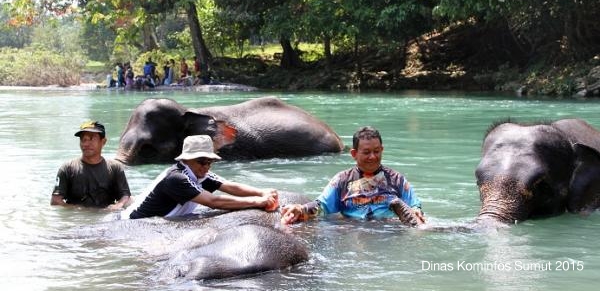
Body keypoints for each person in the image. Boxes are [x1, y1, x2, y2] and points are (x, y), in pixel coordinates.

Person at [281, 126, 426, 224]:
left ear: (382, 150)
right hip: (353, 231)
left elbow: (415, 205)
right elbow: (321, 207)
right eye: (366, 152)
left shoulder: (397, 180)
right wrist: (301, 209)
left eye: (376, 151)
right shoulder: (341, 181)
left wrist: (416, 211)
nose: (372, 156)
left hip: (390, 231)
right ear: (354, 154)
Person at [123, 135, 278, 219]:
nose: (206, 166)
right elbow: (213, 201)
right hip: (137, 223)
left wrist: (262, 192)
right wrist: (256, 202)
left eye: (209, 162)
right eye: (202, 161)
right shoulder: (177, 178)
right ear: (186, 160)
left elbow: (229, 186)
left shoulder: (199, 173)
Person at [51, 121, 131, 210]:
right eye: (83, 139)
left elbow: (125, 196)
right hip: (78, 219)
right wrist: (78, 210)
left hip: (106, 218)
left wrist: (118, 205)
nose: (86, 144)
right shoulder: (67, 168)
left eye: (92, 138)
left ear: (103, 142)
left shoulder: (115, 168)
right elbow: (55, 201)